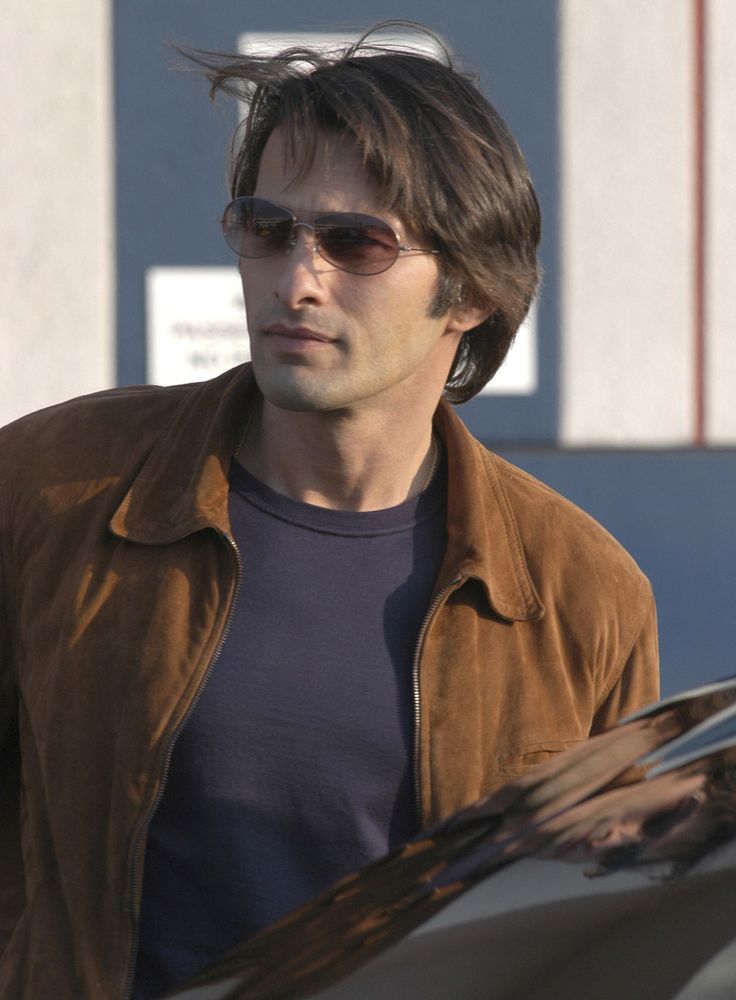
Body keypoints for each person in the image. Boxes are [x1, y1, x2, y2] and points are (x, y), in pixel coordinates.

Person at [0, 22, 659, 999]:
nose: (296, 278)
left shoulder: (577, 593)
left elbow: (607, 940)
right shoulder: (56, 485)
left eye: (356, 242)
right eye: (268, 230)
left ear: (471, 287)